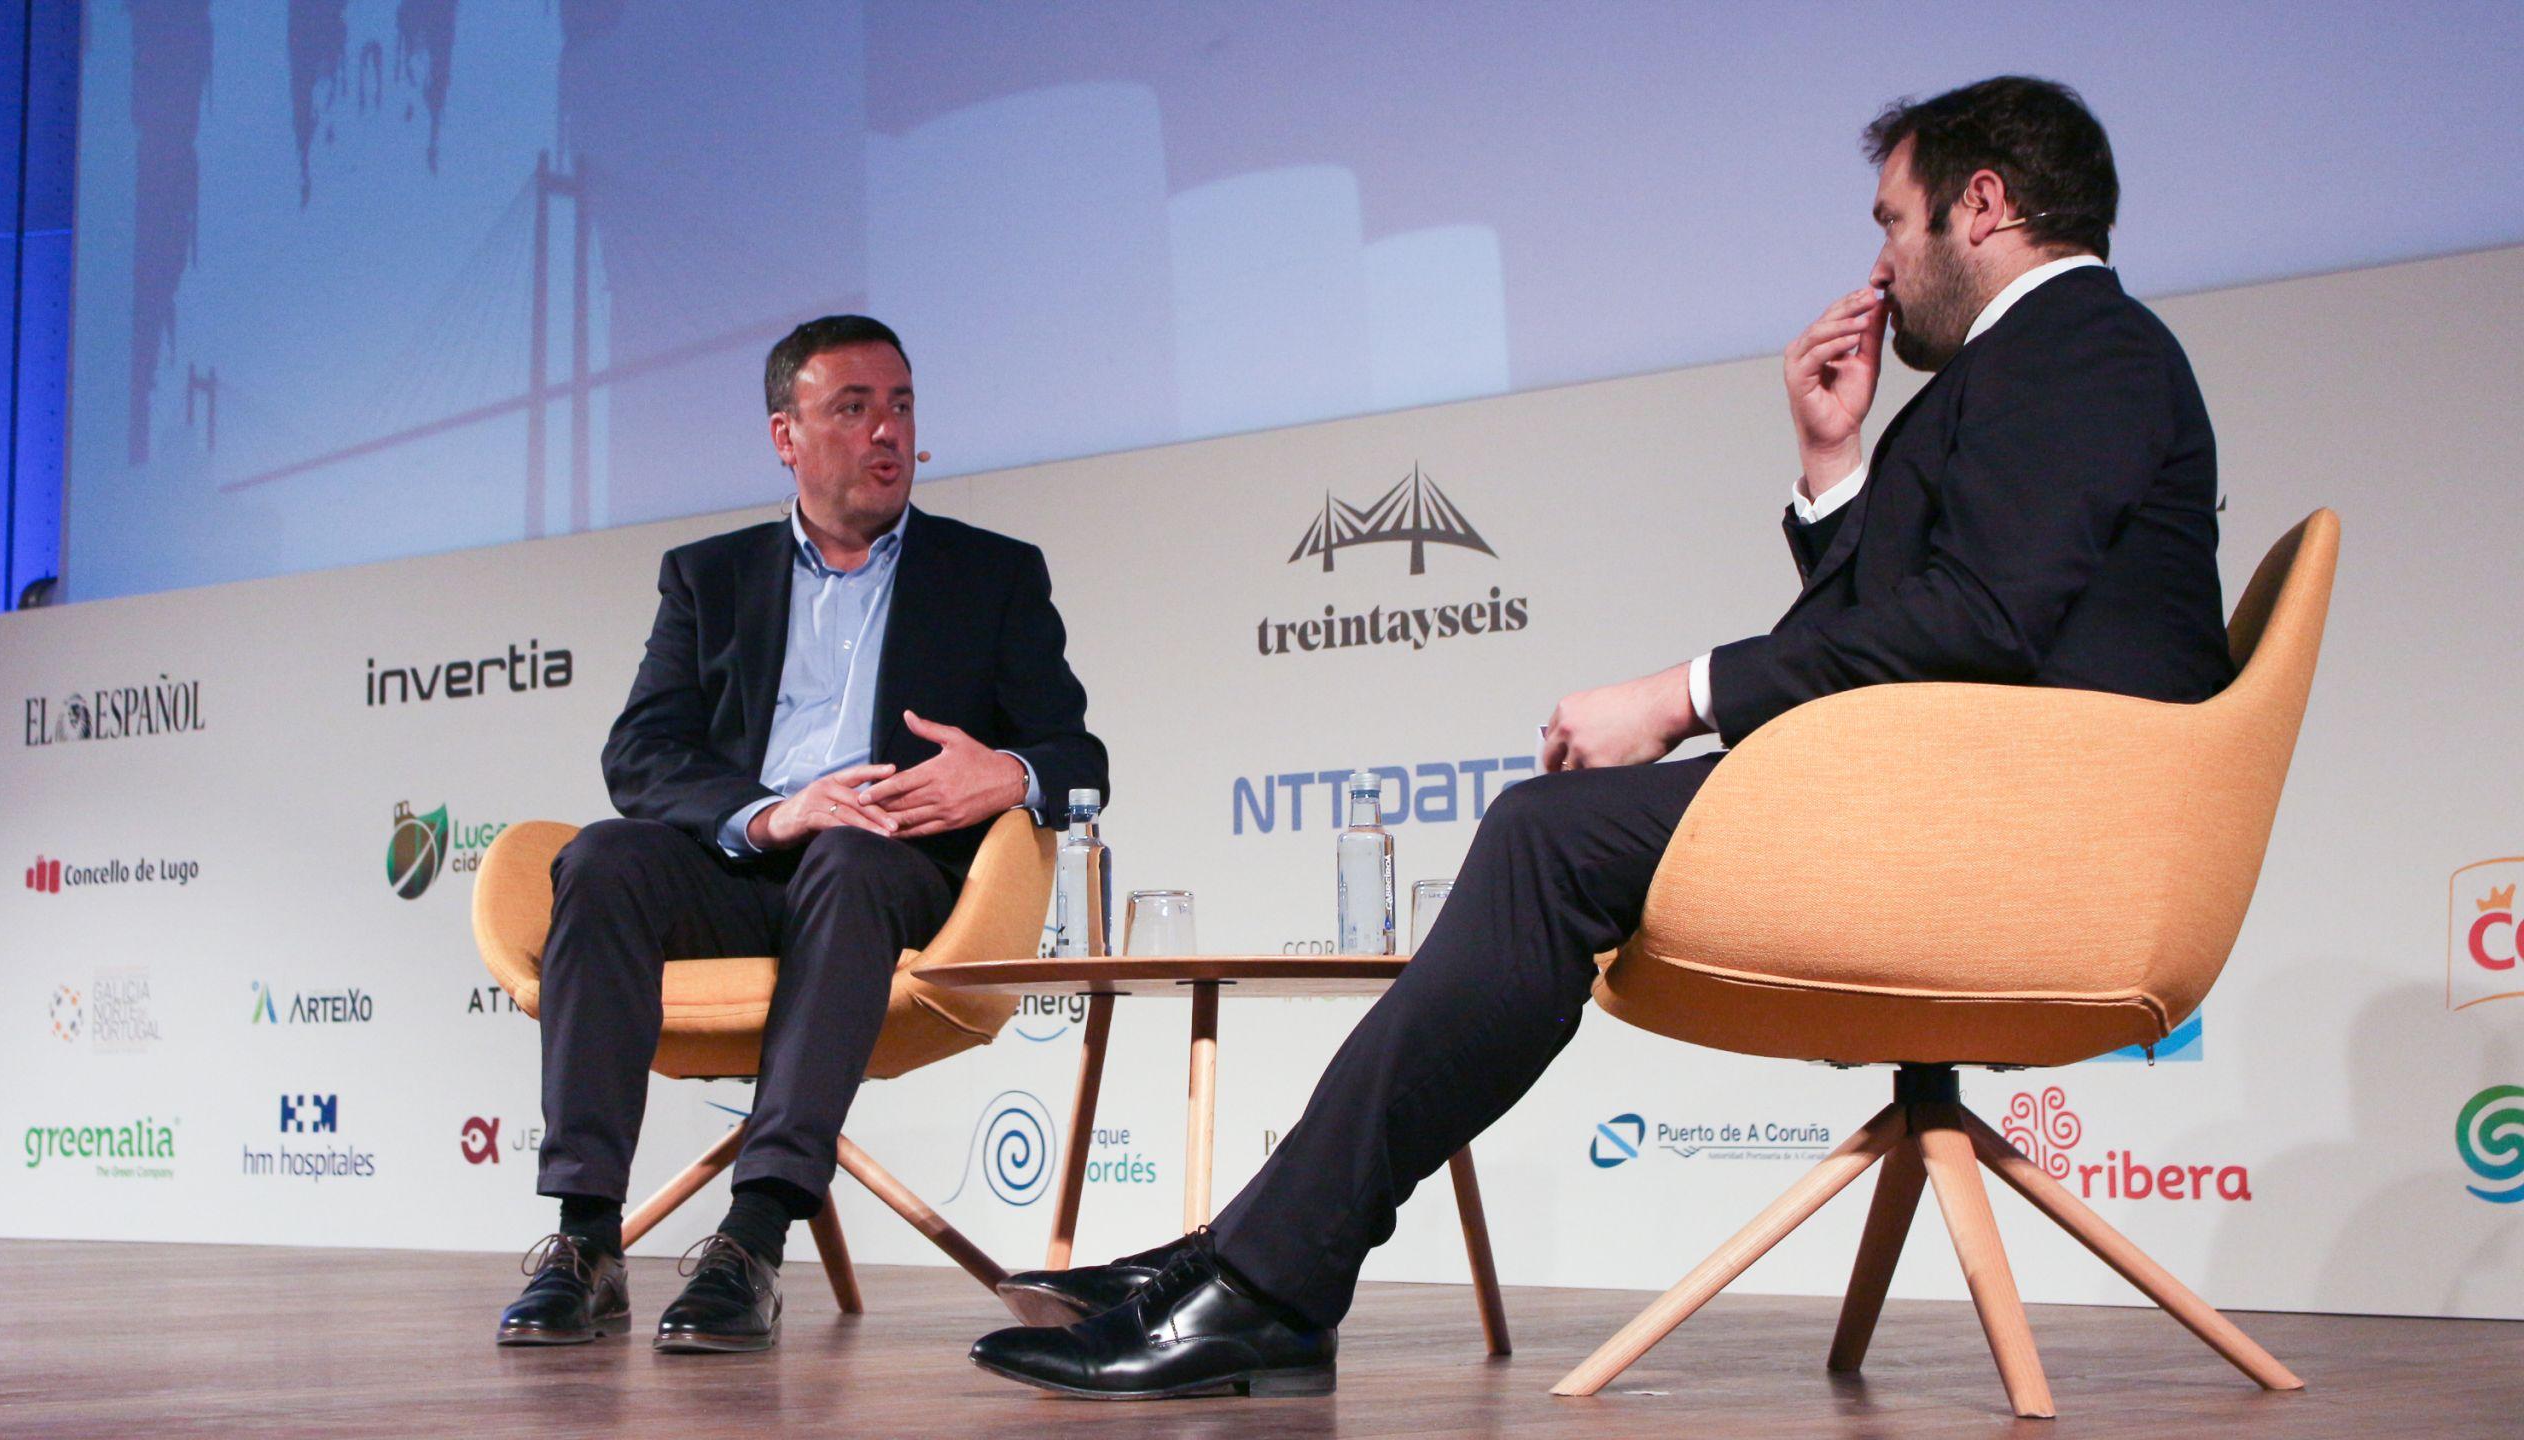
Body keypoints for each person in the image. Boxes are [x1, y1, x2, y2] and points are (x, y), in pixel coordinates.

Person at [970, 74, 2233, 1400]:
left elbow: (1977, 621)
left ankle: (1271, 1280)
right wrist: (1832, 462)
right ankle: (1251, 1260)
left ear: (1982, 205)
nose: (1878, 262)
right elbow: (1926, 617)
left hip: (2025, 845)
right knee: (1546, 838)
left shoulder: (2080, 345)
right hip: (1966, 808)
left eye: (1892, 220)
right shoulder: (2040, 366)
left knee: (1543, 841)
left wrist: (1677, 695)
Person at [495, 315, 1108, 1352]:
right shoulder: (709, 576)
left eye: (901, 406)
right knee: (599, 858)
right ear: (786, 435)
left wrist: (997, 775)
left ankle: (752, 1236)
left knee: (852, 854)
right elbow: (641, 754)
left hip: (890, 871)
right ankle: (586, 1239)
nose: (886, 433)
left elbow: (1076, 756)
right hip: (746, 861)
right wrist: (777, 812)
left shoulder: (990, 574)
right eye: (853, 408)